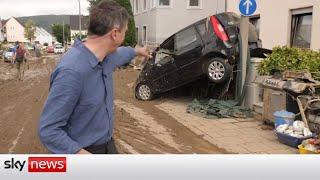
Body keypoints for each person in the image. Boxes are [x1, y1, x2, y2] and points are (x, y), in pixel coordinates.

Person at [38, 0, 151, 154]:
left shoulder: (107, 56)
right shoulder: (71, 72)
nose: (125, 36)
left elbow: (123, 53)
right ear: (115, 34)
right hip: (83, 151)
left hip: (107, 145)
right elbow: (49, 130)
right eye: (125, 31)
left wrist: (138, 51)